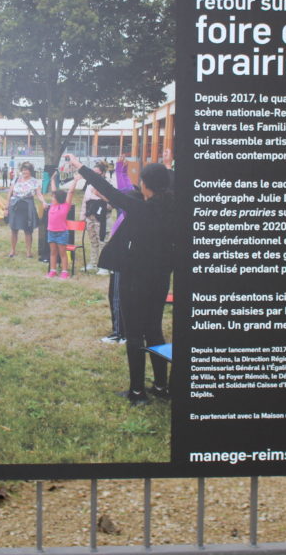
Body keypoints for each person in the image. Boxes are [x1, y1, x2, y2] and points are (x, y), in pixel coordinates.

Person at [68, 153, 174, 406]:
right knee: (155, 330)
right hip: (160, 278)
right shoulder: (172, 210)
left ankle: (137, 392)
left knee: (135, 333)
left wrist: (79, 166)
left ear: (146, 184)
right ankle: (161, 386)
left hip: (134, 277)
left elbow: (107, 188)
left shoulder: (140, 208)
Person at [4, 162, 46, 258]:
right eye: (23, 169)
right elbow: (9, 193)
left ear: (30, 171)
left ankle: (28, 252)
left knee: (28, 230)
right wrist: (6, 207)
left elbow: (39, 194)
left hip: (27, 206)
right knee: (14, 230)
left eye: (26, 169)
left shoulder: (34, 181)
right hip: (15, 206)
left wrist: (43, 202)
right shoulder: (16, 180)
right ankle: (13, 250)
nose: (24, 171)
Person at [45, 186, 73, 279]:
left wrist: (75, 181)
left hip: (61, 233)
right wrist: (53, 178)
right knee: (53, 252)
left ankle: (65, 272)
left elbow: (70, 193)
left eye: (53, 197)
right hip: (51, 233)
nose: (52, 199)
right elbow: (54, 189)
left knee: (62, 253)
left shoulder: (65, 206)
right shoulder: (52, 206)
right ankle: (53, 270)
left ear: (58, 199)